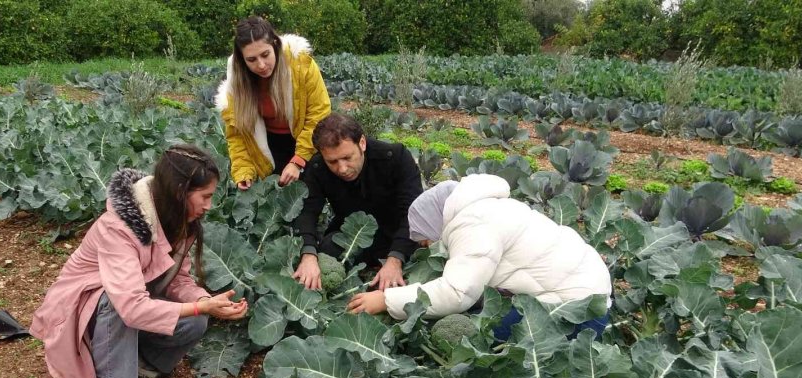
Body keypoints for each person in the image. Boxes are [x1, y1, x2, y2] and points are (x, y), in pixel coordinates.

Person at [30, 145, 248, 378]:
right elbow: (130, 306)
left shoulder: (179, 222)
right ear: (180, 192)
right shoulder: (119, 228)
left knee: (196, 321)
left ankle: (142, 362)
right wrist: (196, 306)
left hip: (134, 301)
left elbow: (178, 280)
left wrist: (207, 301)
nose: (208, 206)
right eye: (205, 197)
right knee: (117, 300)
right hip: (81, 310)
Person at [347, 174, 613, 339]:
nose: (431, 247)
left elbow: (455, 293)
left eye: (427, 240)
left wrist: (385, 299)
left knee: (483, 338)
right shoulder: (487, 208)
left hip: (578, 313)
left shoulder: (471, 225)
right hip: (586, 294)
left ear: (435, 224)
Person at [292, 113, 423, 291]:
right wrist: (308, 254)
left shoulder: (395, 158)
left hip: (397, 236)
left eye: (347, 158)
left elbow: (412, 214)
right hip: (352, 238)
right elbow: (307, 211)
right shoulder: (317, 168)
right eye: (333, 162)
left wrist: (395, 260)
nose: (342, 169)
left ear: (362, 143)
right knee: (327, 249)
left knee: (420, 269)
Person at [215, 16, 331, 191]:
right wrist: (243, 171)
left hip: (307, 140)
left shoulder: (301, 64)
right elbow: (237, 134)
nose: (261, 65)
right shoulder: (237, 83)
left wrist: (299, 160)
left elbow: (318, 115)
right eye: (251, 60)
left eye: (265, 55)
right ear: (242, 60)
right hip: (267, 148)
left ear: (275, 45)